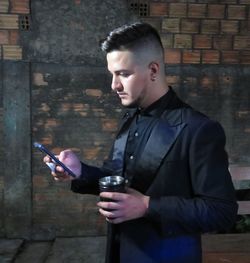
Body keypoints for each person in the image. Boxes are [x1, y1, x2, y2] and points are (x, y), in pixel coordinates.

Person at [44, 22, 238, 263]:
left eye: (123, 74)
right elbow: (117, 180)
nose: (114, 85)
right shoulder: (130, 118)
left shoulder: (200, 129)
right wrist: (79, 171)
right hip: (119, 252)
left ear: (153, 70)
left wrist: (148, 206)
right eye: (112, 74)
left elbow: (222, 212)